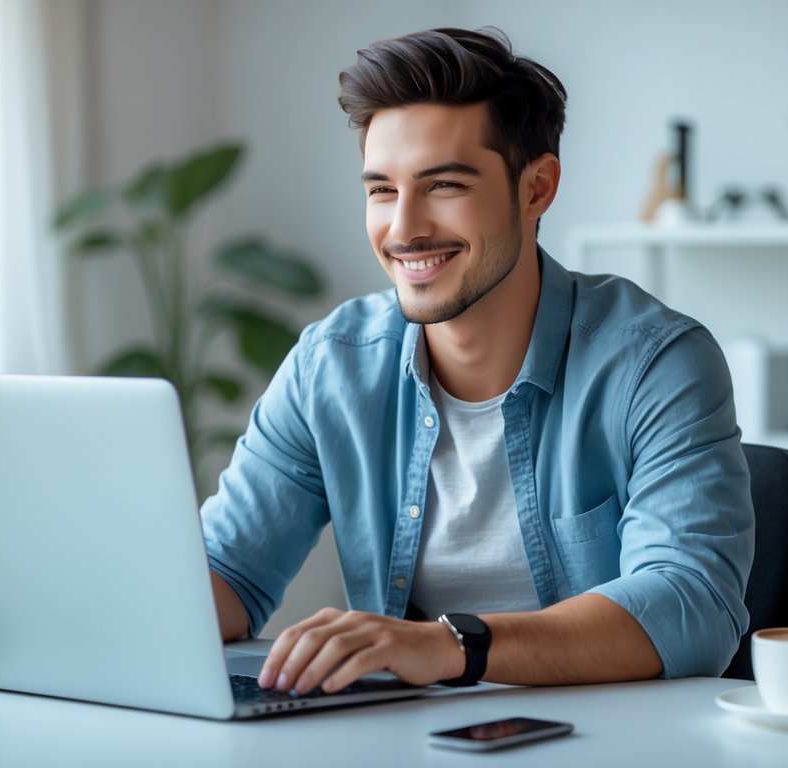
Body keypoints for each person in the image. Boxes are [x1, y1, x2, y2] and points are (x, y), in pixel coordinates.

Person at [200, 27, 754, 696]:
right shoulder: (333, 366)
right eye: (382, 191)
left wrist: (449, 646)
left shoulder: (654, 364)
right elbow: (225, 573)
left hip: (609, 735)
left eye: (443, 185)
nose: (404, 229)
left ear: (536, 188)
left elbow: (691, 603)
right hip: (401, 736)